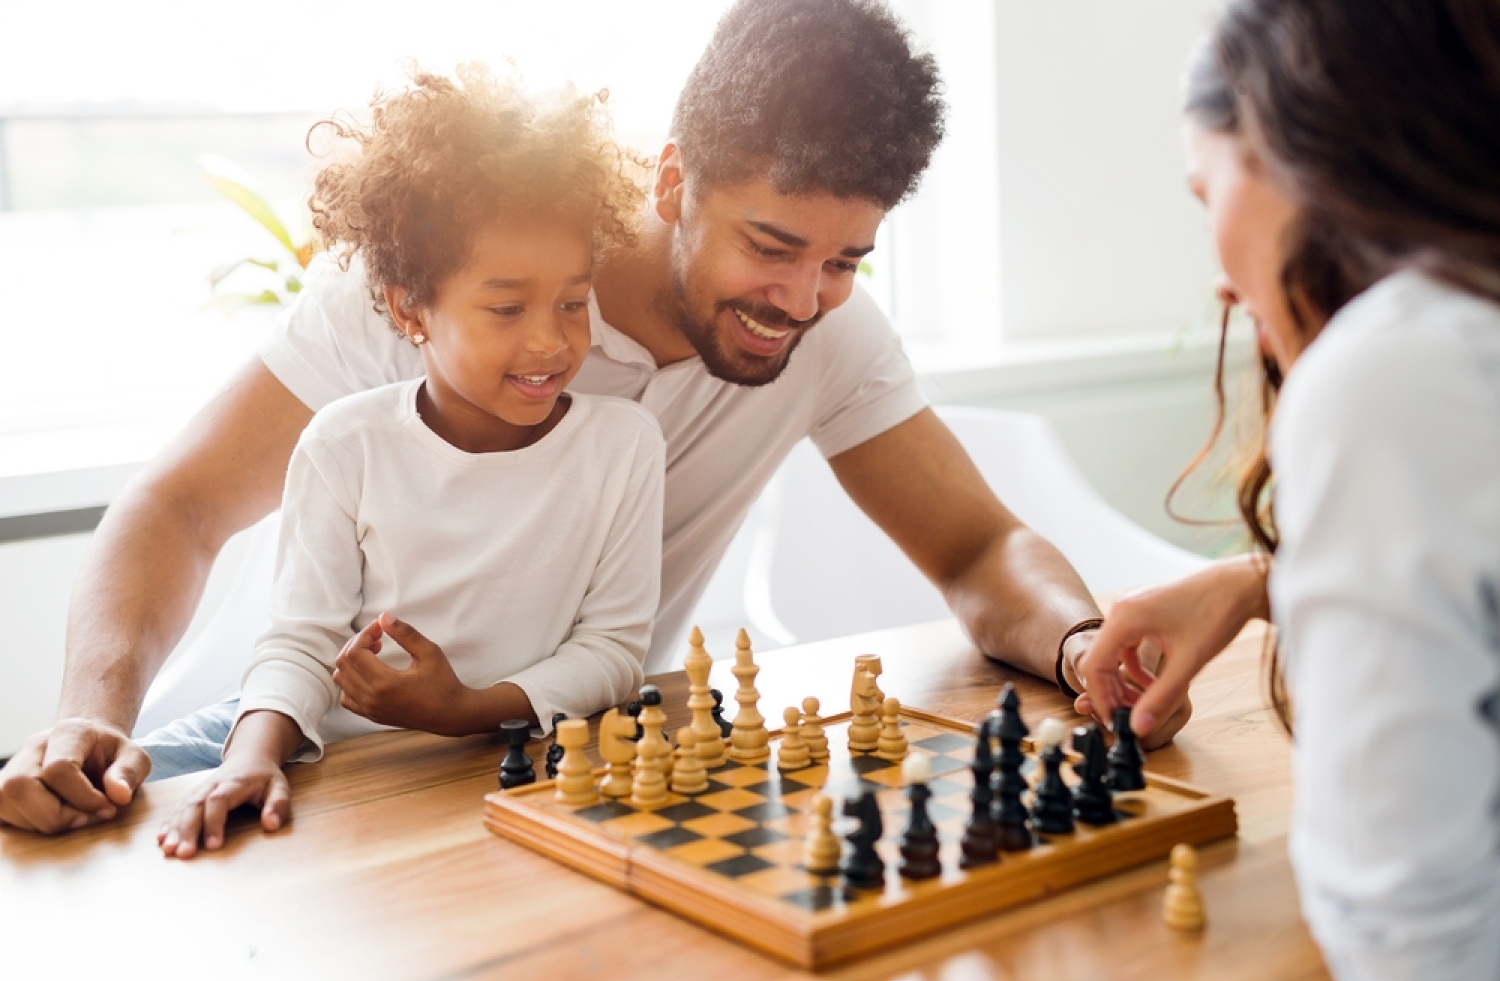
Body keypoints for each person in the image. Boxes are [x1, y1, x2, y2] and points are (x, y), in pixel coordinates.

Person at [0, 0, 1186, 836]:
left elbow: (979, 549)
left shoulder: (832, 332)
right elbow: (182, 501)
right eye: (771, 246)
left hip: (553, 763)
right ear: (674, 185)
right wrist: (84, 717)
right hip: (315, 741)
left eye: (846, 260)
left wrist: (1085, 644)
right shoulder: (450, 283)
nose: (804, 300)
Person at [1076, 1, 1500, 981]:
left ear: (1289, 149)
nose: (1220, 284)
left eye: (1203, 191)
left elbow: (1404, 929)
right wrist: (1264, 577)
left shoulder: (1396, 367)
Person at [149, 67, 664, 856]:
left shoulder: (623, 445)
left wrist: (466, 707)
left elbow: (614, 654)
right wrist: (251, 758)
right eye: (506, 307)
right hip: (309, 734)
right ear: (407, 307)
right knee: (96, 793)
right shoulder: (343, 442)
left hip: (490, 747)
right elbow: (299, 645)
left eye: (572, 300)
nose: (551, 340)